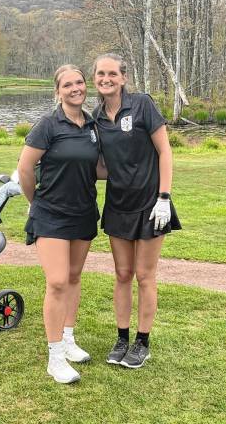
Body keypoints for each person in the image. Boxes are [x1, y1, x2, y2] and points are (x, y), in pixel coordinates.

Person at [92, 53, 181, 369]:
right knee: (121, 274)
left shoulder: (142, 104)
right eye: (101, 74)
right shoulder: (96, 117)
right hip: (118, 206)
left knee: (144, 275)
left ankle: (142, 342)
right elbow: (103, 167)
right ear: (95, 79)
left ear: (123, 77)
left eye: (112, 73)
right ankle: (122, 338)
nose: (107, 78)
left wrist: (164, 197)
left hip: (150, 205)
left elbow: (164, 151)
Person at [17, 65, 100, 384]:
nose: (76, 88)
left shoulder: (93, 124)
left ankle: (68, 340)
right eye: (68, 84)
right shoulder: (48, 125)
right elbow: (25, 168)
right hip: (50, 213)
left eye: (80, 82)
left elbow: (96, 166)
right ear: (58, 92)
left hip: (83, 211)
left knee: (74, 277)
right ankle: (55, 358)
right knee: (57, 282)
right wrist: (33, 203)